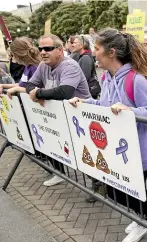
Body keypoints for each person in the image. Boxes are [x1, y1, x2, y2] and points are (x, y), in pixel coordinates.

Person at [69, 28, 147, 242]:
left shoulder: (136, 80)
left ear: (111, 52)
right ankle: (143, 217)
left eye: (97, 48)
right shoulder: (108, 78)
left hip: (136, 151)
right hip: (114, 150)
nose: (93, 53)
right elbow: (105, 105)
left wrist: (129, 111)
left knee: (134, 192)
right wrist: (84, 103)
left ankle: (142, 221)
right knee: (115, 191)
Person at [26, 34, 91, 186]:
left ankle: (97, 185)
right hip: (59, 115)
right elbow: (29, 85)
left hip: (80, 116)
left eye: (47, 48)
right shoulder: (43, 65)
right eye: (40, 48)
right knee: (52, 141)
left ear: (60, 50)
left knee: (85, 151)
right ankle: (59, 173)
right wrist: (36, 92)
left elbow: (65, 92)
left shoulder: (69, 65)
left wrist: (38, 93)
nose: (42, 52)